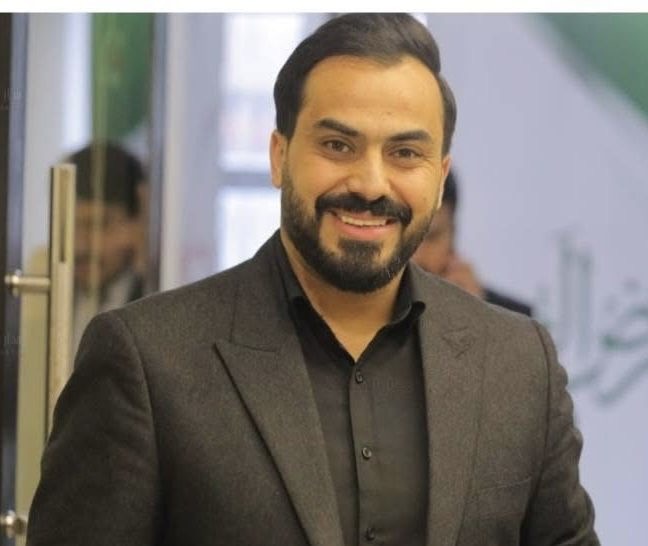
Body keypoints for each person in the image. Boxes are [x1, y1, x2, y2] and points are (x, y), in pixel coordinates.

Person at [27, 14, 598, 546]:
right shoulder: (148, 361)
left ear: (440, 176)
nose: (370, 184)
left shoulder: (518, 364)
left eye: (405, 153)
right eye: (337, 145)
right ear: (279, 156)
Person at [411, 169, 533, 316]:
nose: (415, 256)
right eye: (404, 237)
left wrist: (477, 318)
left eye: (431, 237)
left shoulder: (523, 322)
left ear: (453, 234)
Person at [68, 142, 146, 351]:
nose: (80, 246)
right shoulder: (44, 296)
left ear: (137, 225)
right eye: (69, 226)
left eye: (98, 225)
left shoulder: (155, 298)